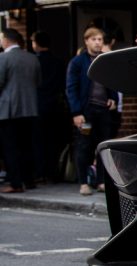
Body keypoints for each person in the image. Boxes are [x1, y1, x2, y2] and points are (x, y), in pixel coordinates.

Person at [0, 28, 41, 194]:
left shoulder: (2, 57)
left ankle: (15, 183)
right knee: (27, 146)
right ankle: (29, 179)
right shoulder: (32, 57)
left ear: (5, 40)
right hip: (29, 108)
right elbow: (38, 82)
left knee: (10, 148)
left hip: (8, 109)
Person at [66, 27, 117, 195]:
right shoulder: (78, 62)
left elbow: (113, 81)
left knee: (103, 146)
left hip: (103, 111)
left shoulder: (105, 60)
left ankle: (101, 181)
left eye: (100, 40)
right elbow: (71, 88)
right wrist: (76, 113)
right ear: (86, 41)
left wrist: (113, 97)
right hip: (86, 112)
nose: (97, 43)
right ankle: (83, 183)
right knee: (84, 145)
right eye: (94, 39)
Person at [30, 31, 66, 182]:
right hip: (54, 104)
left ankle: (41, 172)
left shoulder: (34, 61)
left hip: (38, 103)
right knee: (52, 140)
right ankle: (52, 172)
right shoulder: (58, 60)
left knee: (38, 141)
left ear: (36, 44)